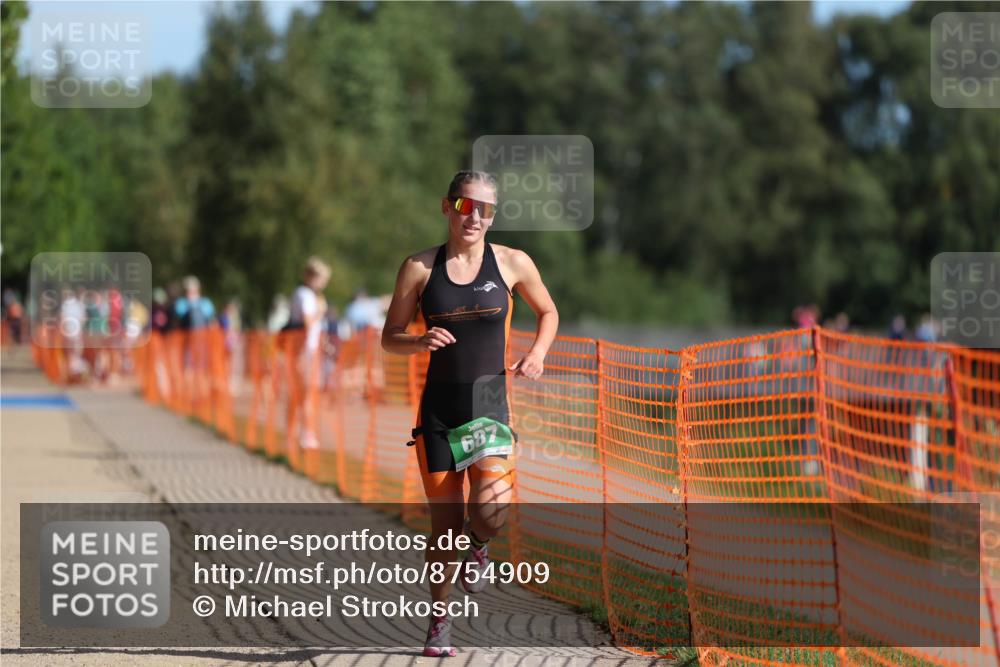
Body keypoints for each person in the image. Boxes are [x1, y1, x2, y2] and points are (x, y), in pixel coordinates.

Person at [381, 170, 559, 657]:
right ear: (447, 207)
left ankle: (478, 545)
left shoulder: (512, 263)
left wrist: (538, 353)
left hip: (488, 405)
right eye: (465, 206)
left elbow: (549, 312)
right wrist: (417, 341)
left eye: (485, 209)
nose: (475, 216)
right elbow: (388, 335)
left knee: (492, 509)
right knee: (444, 528)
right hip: (439, 411)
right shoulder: (419, 268)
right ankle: (439, 620)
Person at [285, 257, 331, 448]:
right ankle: (305, 433)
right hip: (303, 351)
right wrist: (321, 311)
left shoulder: (309, 295)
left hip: (307, 350)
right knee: (304, 393)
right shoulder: (304, 295)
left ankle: (295, 432)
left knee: (302, 393)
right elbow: (307, 322)